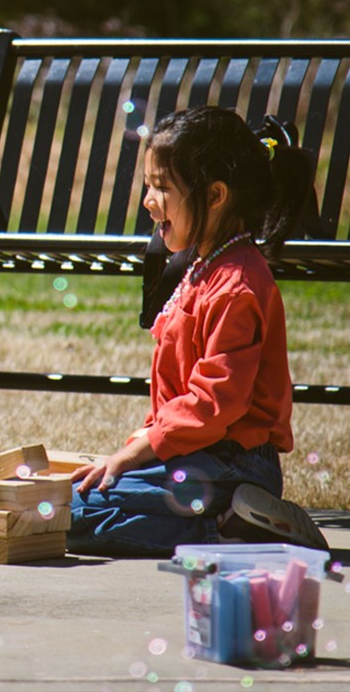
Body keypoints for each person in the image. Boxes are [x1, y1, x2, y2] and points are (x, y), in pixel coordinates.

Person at [67, 106, 329, 557]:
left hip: (234, 462)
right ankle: (232, 521)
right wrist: (142, 449)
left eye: (163, 188)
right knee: (73, 505)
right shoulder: (203, 266)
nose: (149, 200)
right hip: (201, 456)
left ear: (215, 195)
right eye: (149, 185)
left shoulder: (238, 286)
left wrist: (134, 454)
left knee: (71, 512)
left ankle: (230, 530)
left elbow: (215, 403)